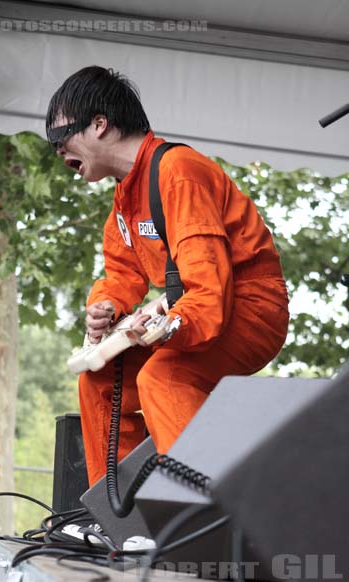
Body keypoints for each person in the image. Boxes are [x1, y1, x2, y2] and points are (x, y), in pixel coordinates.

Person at [46, 65, 289, 487]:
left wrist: (168, 328)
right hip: (200, 311)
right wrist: (106, 308)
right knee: (100, 379)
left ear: (99, 125)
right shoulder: (126, 194)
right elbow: (122, 272)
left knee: (163, 378)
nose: (57, 151)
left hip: (249, 309)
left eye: (60, 136)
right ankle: (120, 519)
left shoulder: (178, 172)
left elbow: (208, 290)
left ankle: (201, 519)